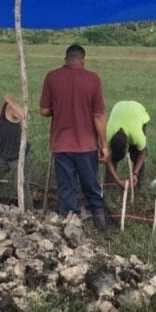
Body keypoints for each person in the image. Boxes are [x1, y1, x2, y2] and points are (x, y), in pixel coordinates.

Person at [39, 44, 108, 230]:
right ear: (83, 60)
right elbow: (99, 116)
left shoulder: (52, 77)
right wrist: (105, 145)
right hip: (87, 144)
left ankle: (71, 224)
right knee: (90, 183)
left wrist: (57, 109)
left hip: (61, 143)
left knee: (66, 186)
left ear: (65, 59)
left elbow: (44, 110)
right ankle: (99, 219)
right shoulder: (93, 79)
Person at [105, 100, 151, 189]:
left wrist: (135, 173)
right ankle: (109, 186)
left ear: (127, 146)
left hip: (137, 110)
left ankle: (138, 185)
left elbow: (143, 152)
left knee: (136, 155)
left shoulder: (136, 135)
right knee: (113, 158)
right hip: (119, 107)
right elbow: (108, 159)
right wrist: (117, 181)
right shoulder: (107, 136)